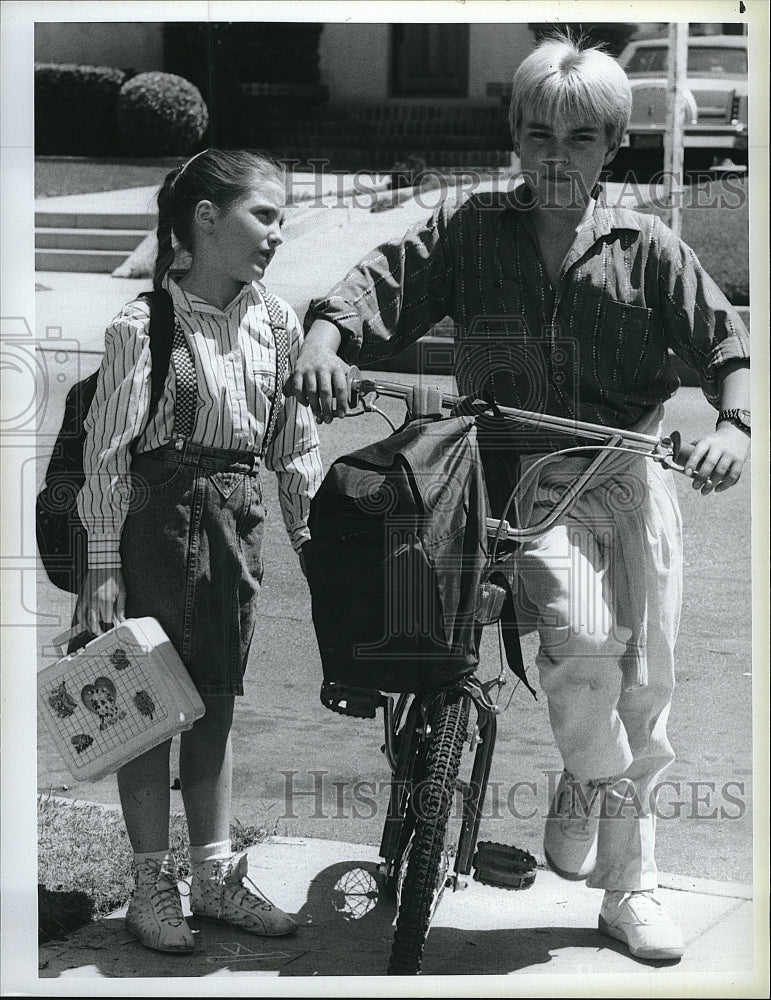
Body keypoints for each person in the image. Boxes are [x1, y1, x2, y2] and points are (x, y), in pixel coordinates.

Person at [287, 36, 751, 962]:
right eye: (537, 132)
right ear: (513, 136)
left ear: (610, 146)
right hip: (519, 489)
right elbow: (383, 280)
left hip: (627, 480)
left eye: (579, 138)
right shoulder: (470, 230)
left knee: (646, 691)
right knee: (582, 650)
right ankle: (635, 886)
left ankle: (586, 796)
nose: (555, 155)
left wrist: (733, 429)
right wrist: (326, 340)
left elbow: (723, 344)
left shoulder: (645, 247)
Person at [76, 148, 323, 953]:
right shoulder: (144, 324)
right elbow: (107, 455)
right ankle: (153, 883)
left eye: (282, 218)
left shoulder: (278, 324)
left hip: (234, 526)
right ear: (205, 220)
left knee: (214, 702)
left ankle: (214, 879)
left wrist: (313, 541)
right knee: (146, 710)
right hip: (155, 523)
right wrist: (103, 568)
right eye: (263, 215)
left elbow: (292, 445)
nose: (276, 235)